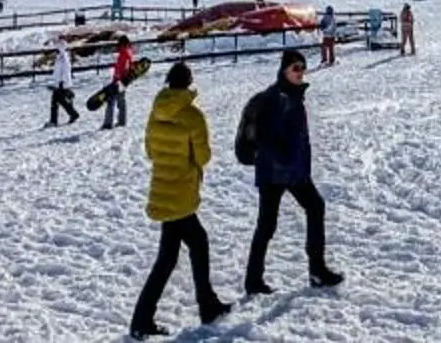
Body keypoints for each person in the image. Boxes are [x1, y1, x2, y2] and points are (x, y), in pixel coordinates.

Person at [129, 62, 229, 337]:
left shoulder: (156, 111)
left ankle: (145, 319)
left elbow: (150, 151)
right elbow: (204, 157)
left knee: (174, 255)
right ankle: (205, 306)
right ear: (189, 83)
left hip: (162, 190)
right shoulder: (192, 116)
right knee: (192, 246)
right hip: (182, 194)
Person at [241, 48, 341, 293]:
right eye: (295, 68)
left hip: (288, 170)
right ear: (284, 69)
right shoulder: (277, 98)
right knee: (297, 213)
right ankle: (314, 270)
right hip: (278, 172)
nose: (300, 72)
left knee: (275, 221)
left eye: (302, 68)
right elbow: (266, 137)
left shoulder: (292, 95)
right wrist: (285, 158)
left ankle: (256, 280)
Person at [104, 37, 140, 129]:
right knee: (121, 100)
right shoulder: (126, 53)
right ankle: (122, 121)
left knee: (111, 100)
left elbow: (124, 68)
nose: (118, 47)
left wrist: (118, 79)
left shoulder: (125, 54)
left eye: (119, 45)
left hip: (120, 80)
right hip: (123, 80)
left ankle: (108, 123)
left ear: (123, 44)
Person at [46, 36, 80, 127]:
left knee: (60, 101)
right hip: (59, 83)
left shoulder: (63, 58)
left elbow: (65, 71)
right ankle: (55, 120)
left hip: (62, 84)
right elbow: (58, 72)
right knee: (56, 101)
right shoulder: (60, 57)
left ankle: (72, 114)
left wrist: (62, 83)